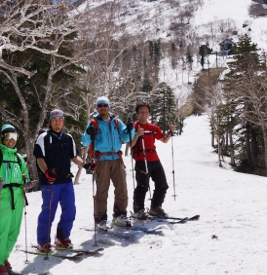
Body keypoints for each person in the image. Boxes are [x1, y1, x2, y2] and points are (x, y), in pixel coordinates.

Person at [34, 109, 85, 252]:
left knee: (70, 209)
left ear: (63, 122)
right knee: (49, 211)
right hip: (50, 182)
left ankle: (62, 237)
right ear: (50, 122)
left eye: (60, 119)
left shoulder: (68, 138)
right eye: (55, 119)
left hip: (66, 180)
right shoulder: (43, 137)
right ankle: (43, 241)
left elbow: (74, 156)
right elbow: (39, 158)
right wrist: (46, 172)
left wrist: (86, 165)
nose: (58, 121)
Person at [81, 96, 135, 227]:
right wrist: (89, 132)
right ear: (97, 108)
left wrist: (130, 129)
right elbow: (85, 141)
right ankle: (100, 219)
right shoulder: (93, 123)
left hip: (117, 158)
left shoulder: (116, 122)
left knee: (122, 188)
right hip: (102, 160)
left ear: (109, 107)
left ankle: (120, 215)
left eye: (105, 105)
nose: (102, 108)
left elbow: (127, 137)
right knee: (102, 191)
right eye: (100, 106)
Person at [0, 124, 29, 275]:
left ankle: (3, 258)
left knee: (14, 231)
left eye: (15, 137)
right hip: (2, 196)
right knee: (2, 230)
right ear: (2, 138)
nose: (12, 140)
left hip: (18, 197)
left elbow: (24, 174)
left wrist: (27, 182)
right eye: (9, 137)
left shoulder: (18, 157)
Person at [129, 103, 175, 218]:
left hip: (154, 159)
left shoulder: (152, 127)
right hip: (141, 160)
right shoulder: (134, 127)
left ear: (149, 113)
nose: (144, 114)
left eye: (146, 111)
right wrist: (137, 135)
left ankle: (155, 207)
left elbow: (164, 140)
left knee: (162, 184)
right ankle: (138, 210)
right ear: (137, 113)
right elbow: (130, 144)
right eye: (141, 111)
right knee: (143, 186)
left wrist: (170, 132)